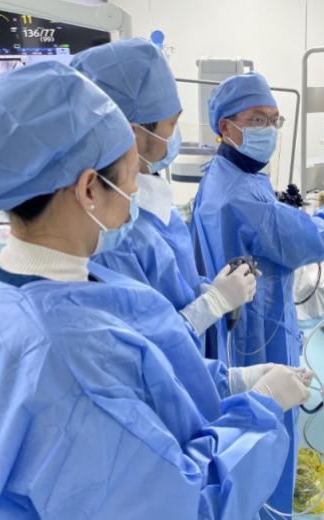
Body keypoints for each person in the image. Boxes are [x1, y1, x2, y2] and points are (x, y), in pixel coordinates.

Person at [0, 61, 312, 520]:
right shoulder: (67, 360)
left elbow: (145, 373)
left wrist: (232, 381)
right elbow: (183, 506)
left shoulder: (22, 286)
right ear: (89, 189)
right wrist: (261, 408)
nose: (137, 190)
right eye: (131, 176)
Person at [191, 71, 324, 516]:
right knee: (272, 421)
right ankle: (271, 508)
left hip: (231, 319)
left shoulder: (220, 174)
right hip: (257, 326)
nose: (269, 130)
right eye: (257, 119)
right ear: (225, 126)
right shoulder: (242, 195)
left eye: (274, 120)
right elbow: (307, 240)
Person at [71, 38, 248, 355]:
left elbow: (174, 286)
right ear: (133, 133)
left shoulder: (152, 203)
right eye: (172, 124)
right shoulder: (114, 233)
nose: (174, 135)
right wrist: (214, 302)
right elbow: (143, 351)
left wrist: (207, 291)